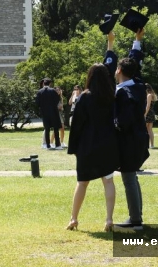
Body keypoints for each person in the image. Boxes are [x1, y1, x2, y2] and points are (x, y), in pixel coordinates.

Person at [66, 64, 119, 232]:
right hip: (107, 144)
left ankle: (74, 218)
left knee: (82, 182)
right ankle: (109, 219)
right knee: (108, 181)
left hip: (87, 145)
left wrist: (73, 146)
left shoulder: (84, 97)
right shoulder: (112, 97)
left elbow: (77, 125)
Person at [113, 29, 150, 230]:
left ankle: (135, 220)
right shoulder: (138, 84)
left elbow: (123, 121)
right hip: (139, 137)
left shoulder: (124, 93)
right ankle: (137, 216)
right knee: (132, 177)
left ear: (118, 71)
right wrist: (137, 40)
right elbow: (133, 62)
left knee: (128, 178)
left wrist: (114, 126)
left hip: (129, 140)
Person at [36, 78, 62, 150]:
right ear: (50, 84)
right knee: (55, 129)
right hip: (53, 112)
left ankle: (48, 145)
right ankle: (58, 145)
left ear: (43, 84)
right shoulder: (53, 91)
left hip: (45, 113)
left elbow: (37, 103)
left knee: (47, 129)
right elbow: (57, 100)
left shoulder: (39, 92)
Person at [144, 84, 158, 149]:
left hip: (148, 113)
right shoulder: (152, 95)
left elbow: (148, 106)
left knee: (147, 129)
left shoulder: (149, 95)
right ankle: (151, 145)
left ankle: (149, 144)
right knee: (149, 130)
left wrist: (145, 114)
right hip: (151, 113)